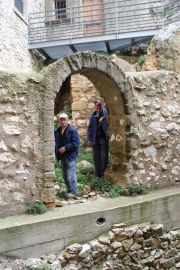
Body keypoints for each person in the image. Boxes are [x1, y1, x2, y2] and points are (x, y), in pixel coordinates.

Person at [54, 113, 80, 199]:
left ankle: (74, 191)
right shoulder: (57, 131)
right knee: (65, 174)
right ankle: (70, 191)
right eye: (61, 119)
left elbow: (76, 143)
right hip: (62, 156)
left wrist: (65, 148)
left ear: (67, 120)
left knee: (71, 173)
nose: (62, 121)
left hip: (70, 155)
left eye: (64, 119)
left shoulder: (73, 130)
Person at [87, 99, 109, 178]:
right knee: (96, 156)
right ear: (95, 106)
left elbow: (107, 114)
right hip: (95, 139)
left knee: (104, 156)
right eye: (97, 105)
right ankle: (98, 173)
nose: (98, 106)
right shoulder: (93, 116)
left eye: (99, 104)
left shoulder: (105, 112)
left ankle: (104, 172)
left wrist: (103, 118)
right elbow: (89, 128)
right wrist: (89, 139)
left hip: (103, 138)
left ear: (101, 105)